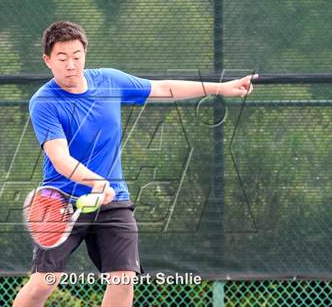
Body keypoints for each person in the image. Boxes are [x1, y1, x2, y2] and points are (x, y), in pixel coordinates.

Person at [13, 21, 257, 307]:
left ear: (85, 54)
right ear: (48, 61)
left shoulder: (109, 81)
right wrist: (95, 181)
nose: (71, 64)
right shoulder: (44, 102)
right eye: (62, 58)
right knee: (43, 283)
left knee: (123, 279)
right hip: (62, 203)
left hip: (113, 201)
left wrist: (221, 88)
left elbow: (164, 88)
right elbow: (60, 157)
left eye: (77, 56)